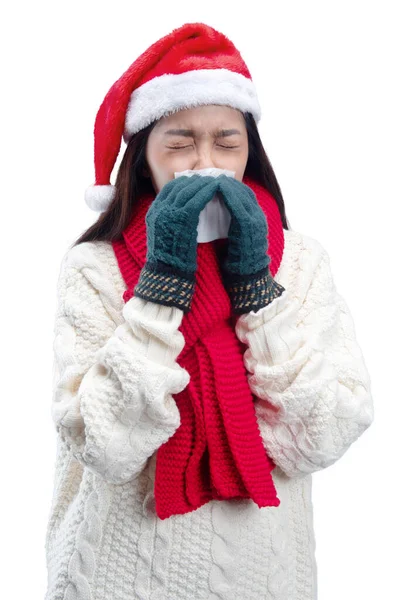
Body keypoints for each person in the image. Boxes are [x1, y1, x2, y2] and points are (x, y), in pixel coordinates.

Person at [44, 22, 374, 600]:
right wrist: (162, 287)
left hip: (265, 581)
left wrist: (256, 291)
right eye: (179, 141)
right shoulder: (93, 269)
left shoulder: (299, 265)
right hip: (114, 580)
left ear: (251, 150)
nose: (206, 163)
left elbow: (325, 434)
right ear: (143, 157)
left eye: (227, 141)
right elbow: (103, 443)